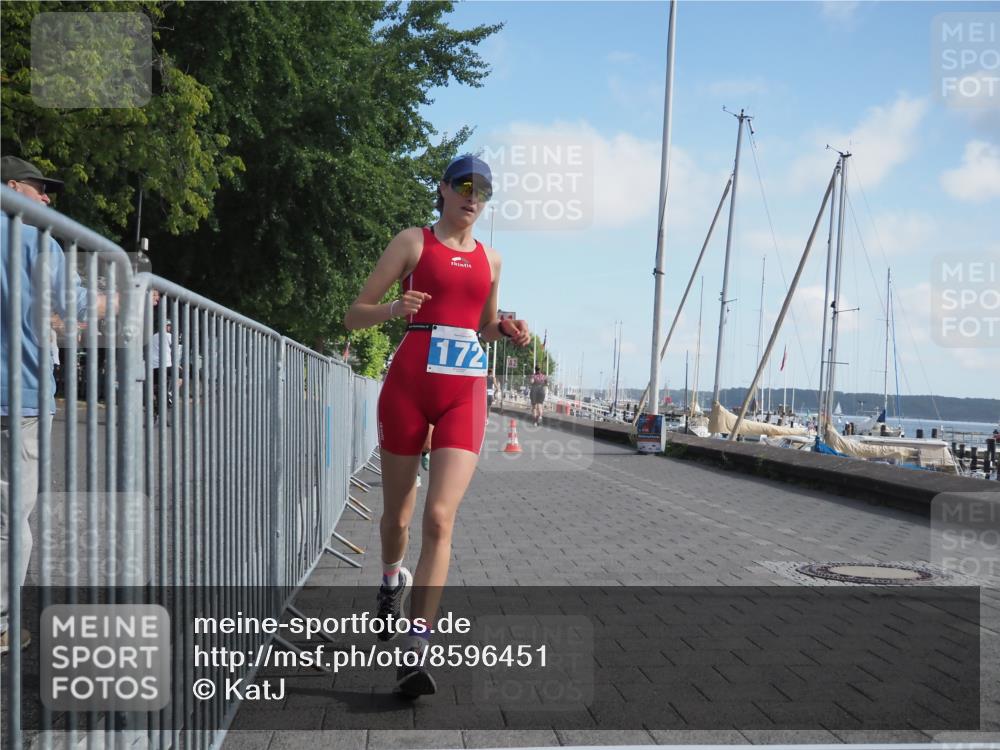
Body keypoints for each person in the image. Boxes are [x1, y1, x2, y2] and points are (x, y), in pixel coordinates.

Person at [345, 154, 530, 697]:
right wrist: (394, 308)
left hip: (462, 393)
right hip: (408, 389)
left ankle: (416, 648)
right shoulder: (413, 242)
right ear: (444, 189)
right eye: (465, 186)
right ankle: (390, 579)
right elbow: (353, 316)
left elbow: (482, 327)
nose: (474, 197)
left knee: (440, 517)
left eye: (484, 191)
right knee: (397, 518)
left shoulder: (492, 259)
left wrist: (507, 329)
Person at [1, 156, 89, 654]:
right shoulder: (38, 241)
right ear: (13, 188)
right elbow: (74, 304)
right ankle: (1, 624)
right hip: (19, 397)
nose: (47, 198)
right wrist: (129, 296)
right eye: (39, 189)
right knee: (12, 518)